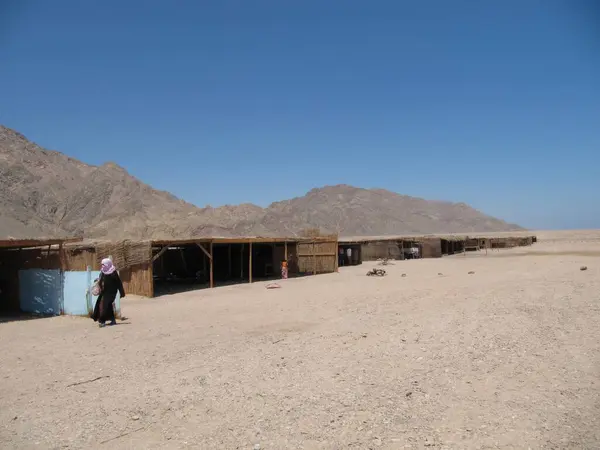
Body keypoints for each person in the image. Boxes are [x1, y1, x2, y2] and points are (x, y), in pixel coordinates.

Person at [92, 258, 125, 327]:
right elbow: (101, 279)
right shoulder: (103, 271)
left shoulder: (113, 272)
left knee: (104, 306)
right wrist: (98, 281)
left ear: (108, 264)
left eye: (104, 264)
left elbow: (118, 282)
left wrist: (122, 292)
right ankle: (113, 320)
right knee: (107, 306)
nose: (102, 266)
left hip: (111, 292)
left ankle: (102, 321)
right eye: (102, 264)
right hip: (104, 291)